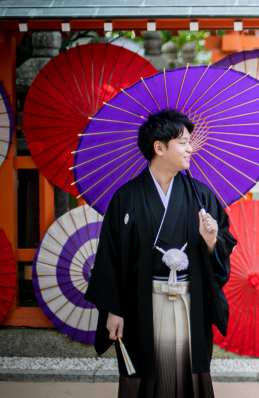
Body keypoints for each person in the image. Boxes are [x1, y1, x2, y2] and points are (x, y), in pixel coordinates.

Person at [85, 108, 237, 398]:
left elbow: (224, 245)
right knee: (144, 371)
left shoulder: (201, 195)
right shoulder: (126, 197)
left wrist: (210, 241)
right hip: (141, 302)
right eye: (183, 142)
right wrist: (114, 309)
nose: (191, 148)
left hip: (189, 299)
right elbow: (110, 257)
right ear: (159, 147)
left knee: (187, 371)